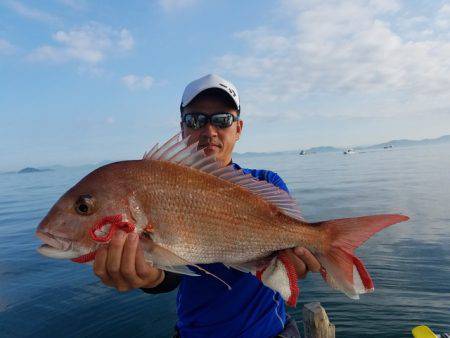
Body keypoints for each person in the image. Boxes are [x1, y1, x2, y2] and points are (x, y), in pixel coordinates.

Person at [93, 74, 321, 337]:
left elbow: (292, 253)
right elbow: (172, 270)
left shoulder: (265, 183)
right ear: (182, 128)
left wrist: (300, 258)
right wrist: (150, 277)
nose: (209, 131)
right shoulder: (162, 185)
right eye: (195, 120)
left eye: (223, 119)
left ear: (239, 129)